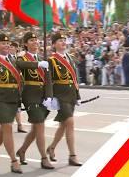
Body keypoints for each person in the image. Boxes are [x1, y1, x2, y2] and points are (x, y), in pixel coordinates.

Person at [0, 33, 30, 173]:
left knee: (5, 129)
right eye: (3, 43)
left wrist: (39, 63)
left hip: (12, 99)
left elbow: (24, 71)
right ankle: (13, 161)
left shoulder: (14, 61)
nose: (6, 46)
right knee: (8, 127)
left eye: (8, 43)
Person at [15, 32, 54, 169]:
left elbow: (48, 79)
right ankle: (44, 158)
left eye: (36, 40)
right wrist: (37, 64)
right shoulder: (22, 56)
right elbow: (20, 65)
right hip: (30, 95)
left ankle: (22, 150)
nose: (35, 42)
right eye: (31, 40)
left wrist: (49, 96)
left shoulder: (42, 57)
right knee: (40, 126)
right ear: (25, 43)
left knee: (36, 128)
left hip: (42, 95)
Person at [46, 33, 82, 166]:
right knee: (70, 123)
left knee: (63, 125)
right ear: (54, 44)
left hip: (71, 94)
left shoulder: (70, 58)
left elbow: (74, 79)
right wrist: (50, 97)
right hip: (61, 95)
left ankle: (51, 147)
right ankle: (72, 156)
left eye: (64, 40)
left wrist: (77, 95)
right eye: (60, 40)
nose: (63, 42)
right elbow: (48, 81)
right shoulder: (51, 60)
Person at [9, 41, 27, 133]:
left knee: (18, 106)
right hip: (9, 85)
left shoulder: (19, 58)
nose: (10, 48)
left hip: (18, 85)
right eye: (10, 47)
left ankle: (19, 125)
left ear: (16, 49)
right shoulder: (6, 58)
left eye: (12, 47)